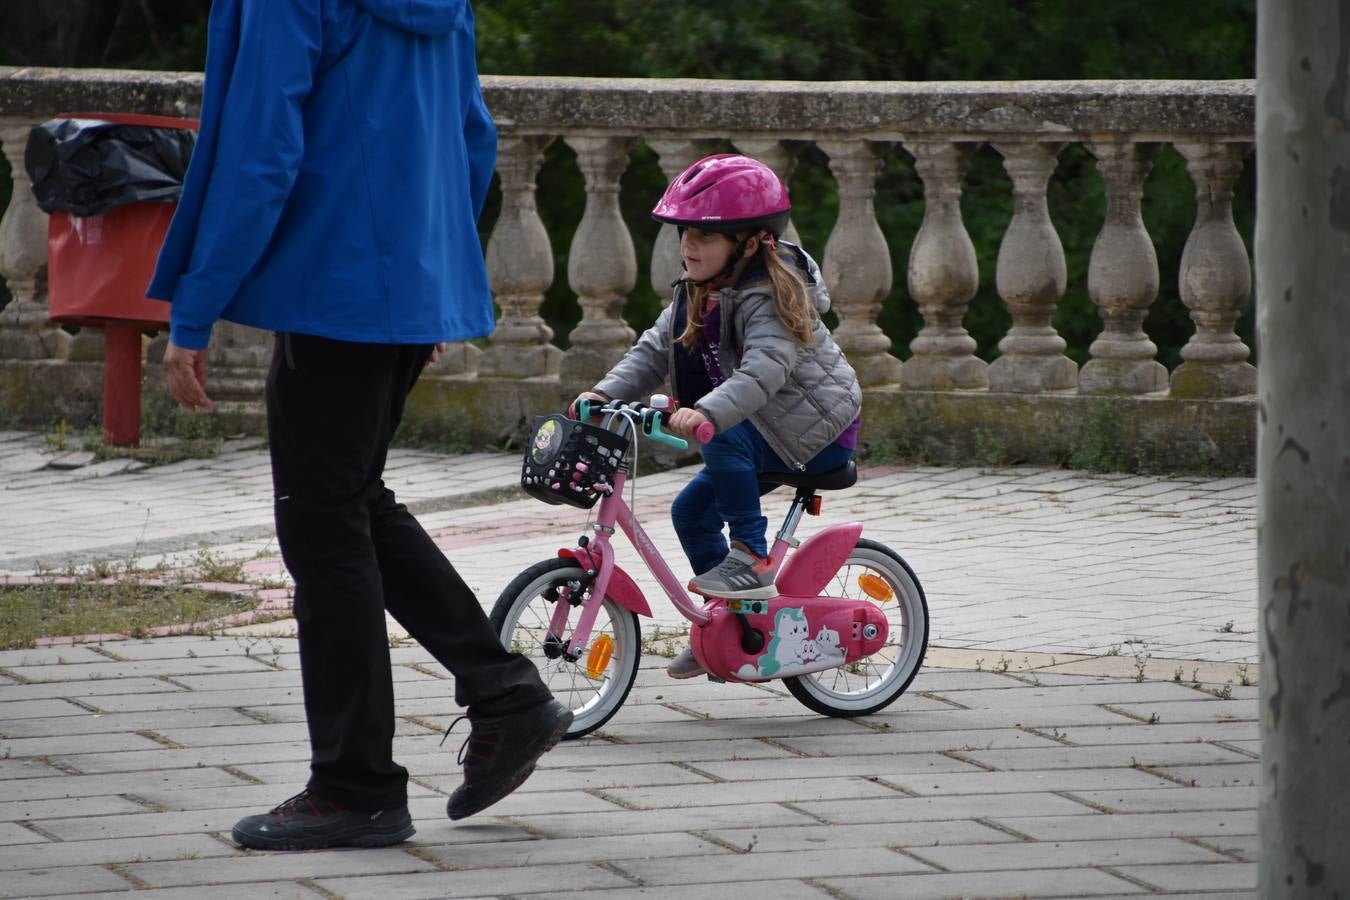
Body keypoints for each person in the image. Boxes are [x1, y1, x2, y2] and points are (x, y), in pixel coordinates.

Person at [147, 0, 570, 851]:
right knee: (347, 501)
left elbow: (261, 151)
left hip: (329, 285)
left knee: (321, 521)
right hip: (404, 284)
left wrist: (194, 308)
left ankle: (356, 788)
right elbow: (471, 137)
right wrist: (432, 278)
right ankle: (506, 694)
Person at [572, 154, 862, 680]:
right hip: (758, 427)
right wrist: (601, 393)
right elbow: (653, 350)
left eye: (705, 236)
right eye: (685, 233)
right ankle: (725, 626)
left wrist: (705, 411)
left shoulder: (774, 296)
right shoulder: (695, 292)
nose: (689, 246)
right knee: (691, 512)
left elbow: (762, 371)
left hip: (815, 430)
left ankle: (750, 556)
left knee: (722, 436)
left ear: (750, 242)